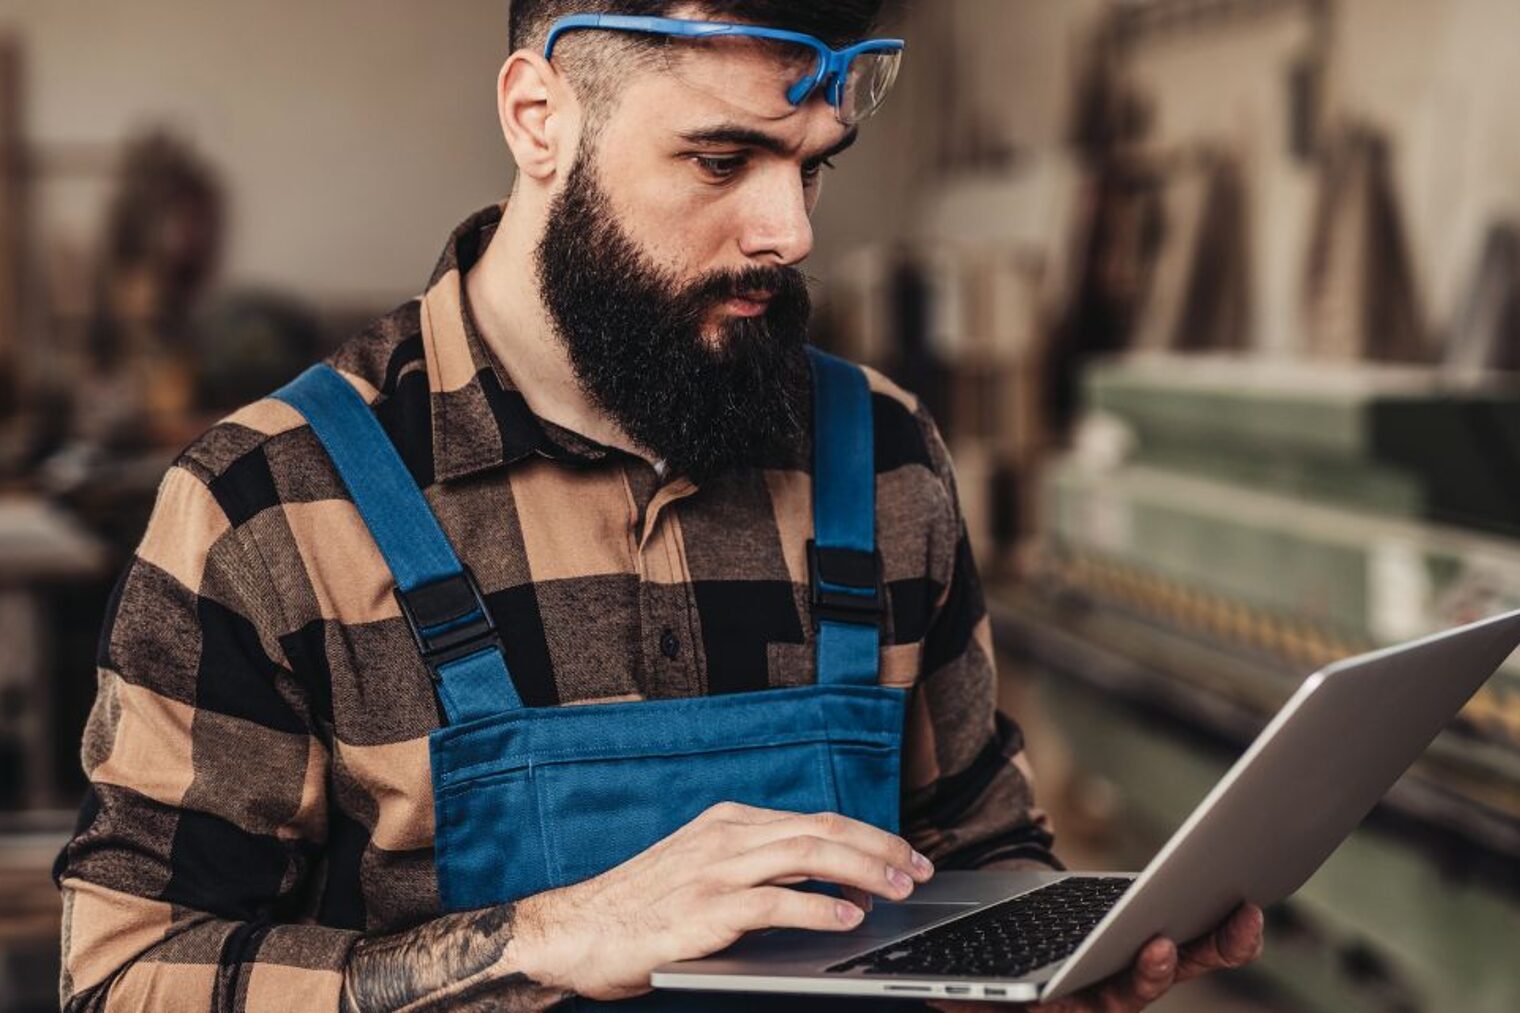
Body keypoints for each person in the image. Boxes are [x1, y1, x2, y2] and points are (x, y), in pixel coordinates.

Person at [53, 3, 1263, 1011]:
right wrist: (541, 934)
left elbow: (977, 844)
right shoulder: (268, 504)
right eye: (722, 160)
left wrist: (1047, 963)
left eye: (812, 166)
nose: (786, 231)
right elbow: (126, 977)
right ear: (539, 115)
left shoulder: (881, 452)